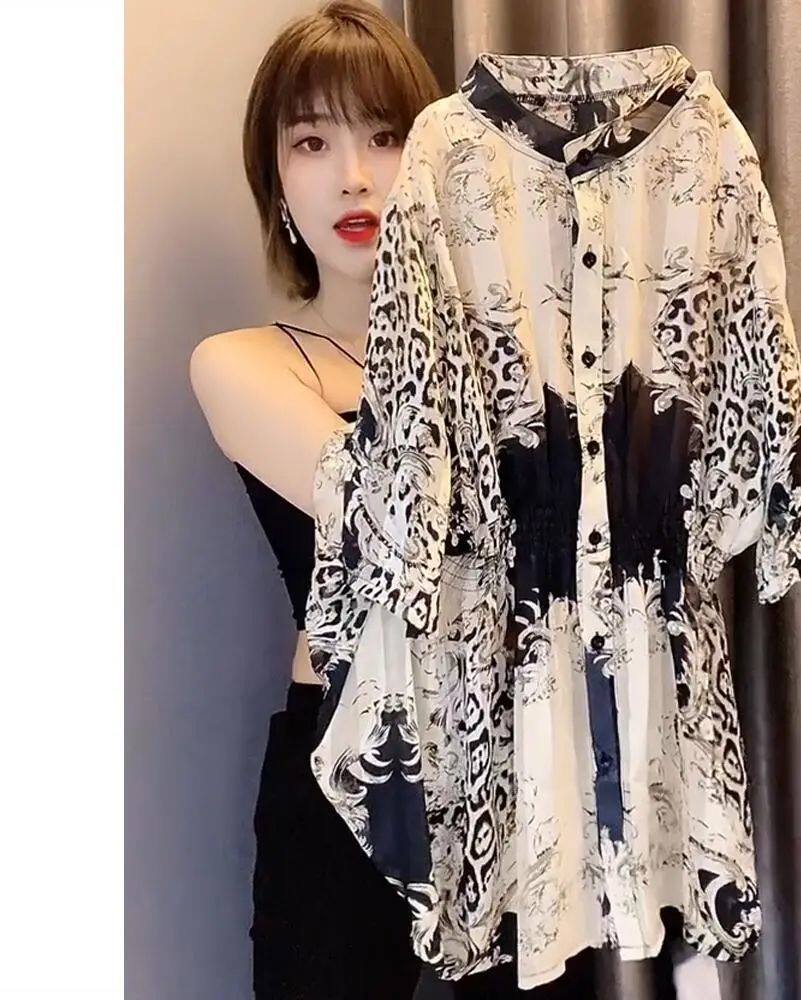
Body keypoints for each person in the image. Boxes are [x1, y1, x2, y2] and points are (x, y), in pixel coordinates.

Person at [189, 3, 441, 997]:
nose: (353, 176)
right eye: (312, 141)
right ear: (276, 178)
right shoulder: (243, 364)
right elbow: (400, 514)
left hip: (516, 754)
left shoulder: (512, 355)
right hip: (343, 763)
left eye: (385, 136)